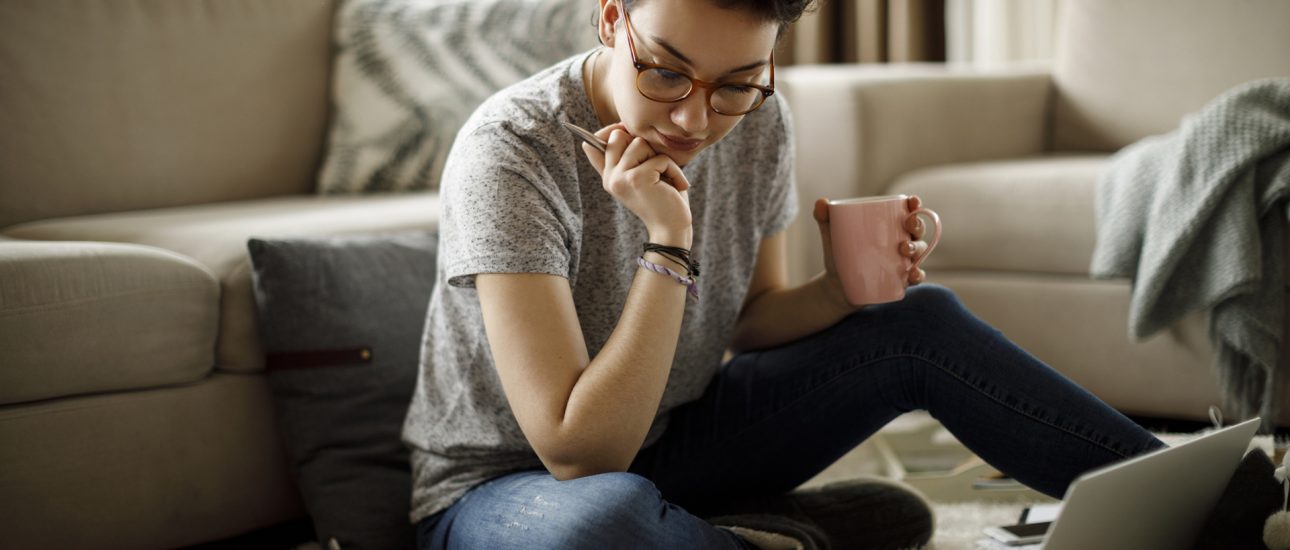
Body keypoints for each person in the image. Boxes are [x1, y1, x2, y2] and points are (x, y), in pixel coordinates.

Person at [400, 0, 1166, 548]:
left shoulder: (761, 118)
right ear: (611, 20)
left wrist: (838, 291)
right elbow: (578, 452)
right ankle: (782, 532)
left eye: (736, 83)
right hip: (507, 489)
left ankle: (1201, 501)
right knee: (601, 523)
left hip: (680, 440)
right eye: (666, 73)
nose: (695, 120)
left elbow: (752, 320)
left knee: (918, 322)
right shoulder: (512, 150)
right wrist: (668, 243)